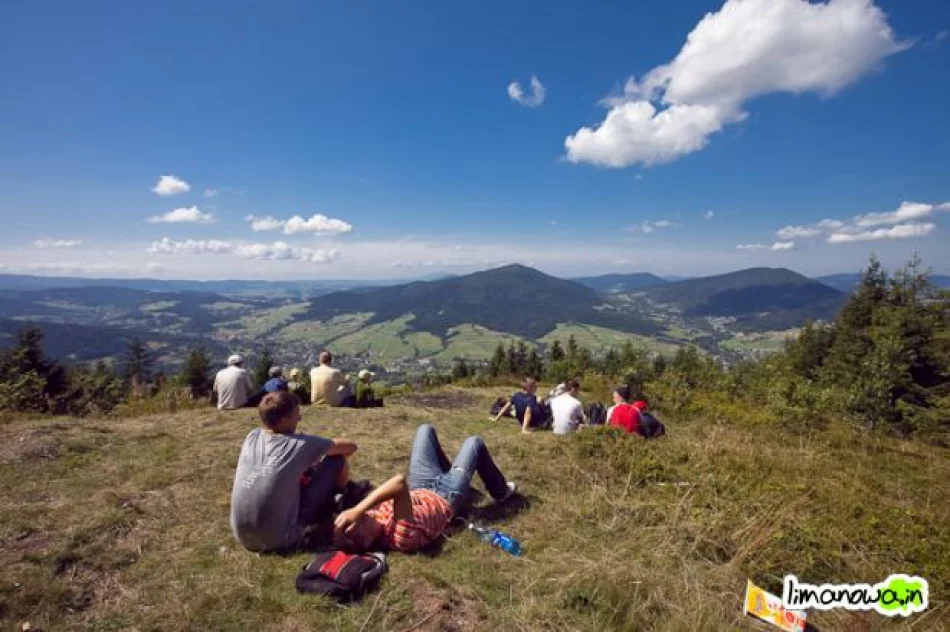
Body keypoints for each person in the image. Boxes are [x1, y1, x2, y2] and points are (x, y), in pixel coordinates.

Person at [332, 424, 516, 554]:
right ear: (367, 541)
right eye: (361, 522)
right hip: (447, 494)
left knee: (425, 430)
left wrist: (345, 522)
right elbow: (398, 482)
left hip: (421, 486)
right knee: (474, 443)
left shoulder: (373, 521)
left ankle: (450, 471)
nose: (364, 515)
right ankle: (500, 491)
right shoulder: (401, 538)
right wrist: (357, 509)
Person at [230, 391, 358, 552]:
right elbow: (351, 447)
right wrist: (310, 444)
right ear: (284, 420)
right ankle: (342, 496)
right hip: (282, 539)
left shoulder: (252, 436)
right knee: (336, 459)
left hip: (243, 537)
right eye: (296, 414)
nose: (300, 418)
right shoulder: (300, 445)